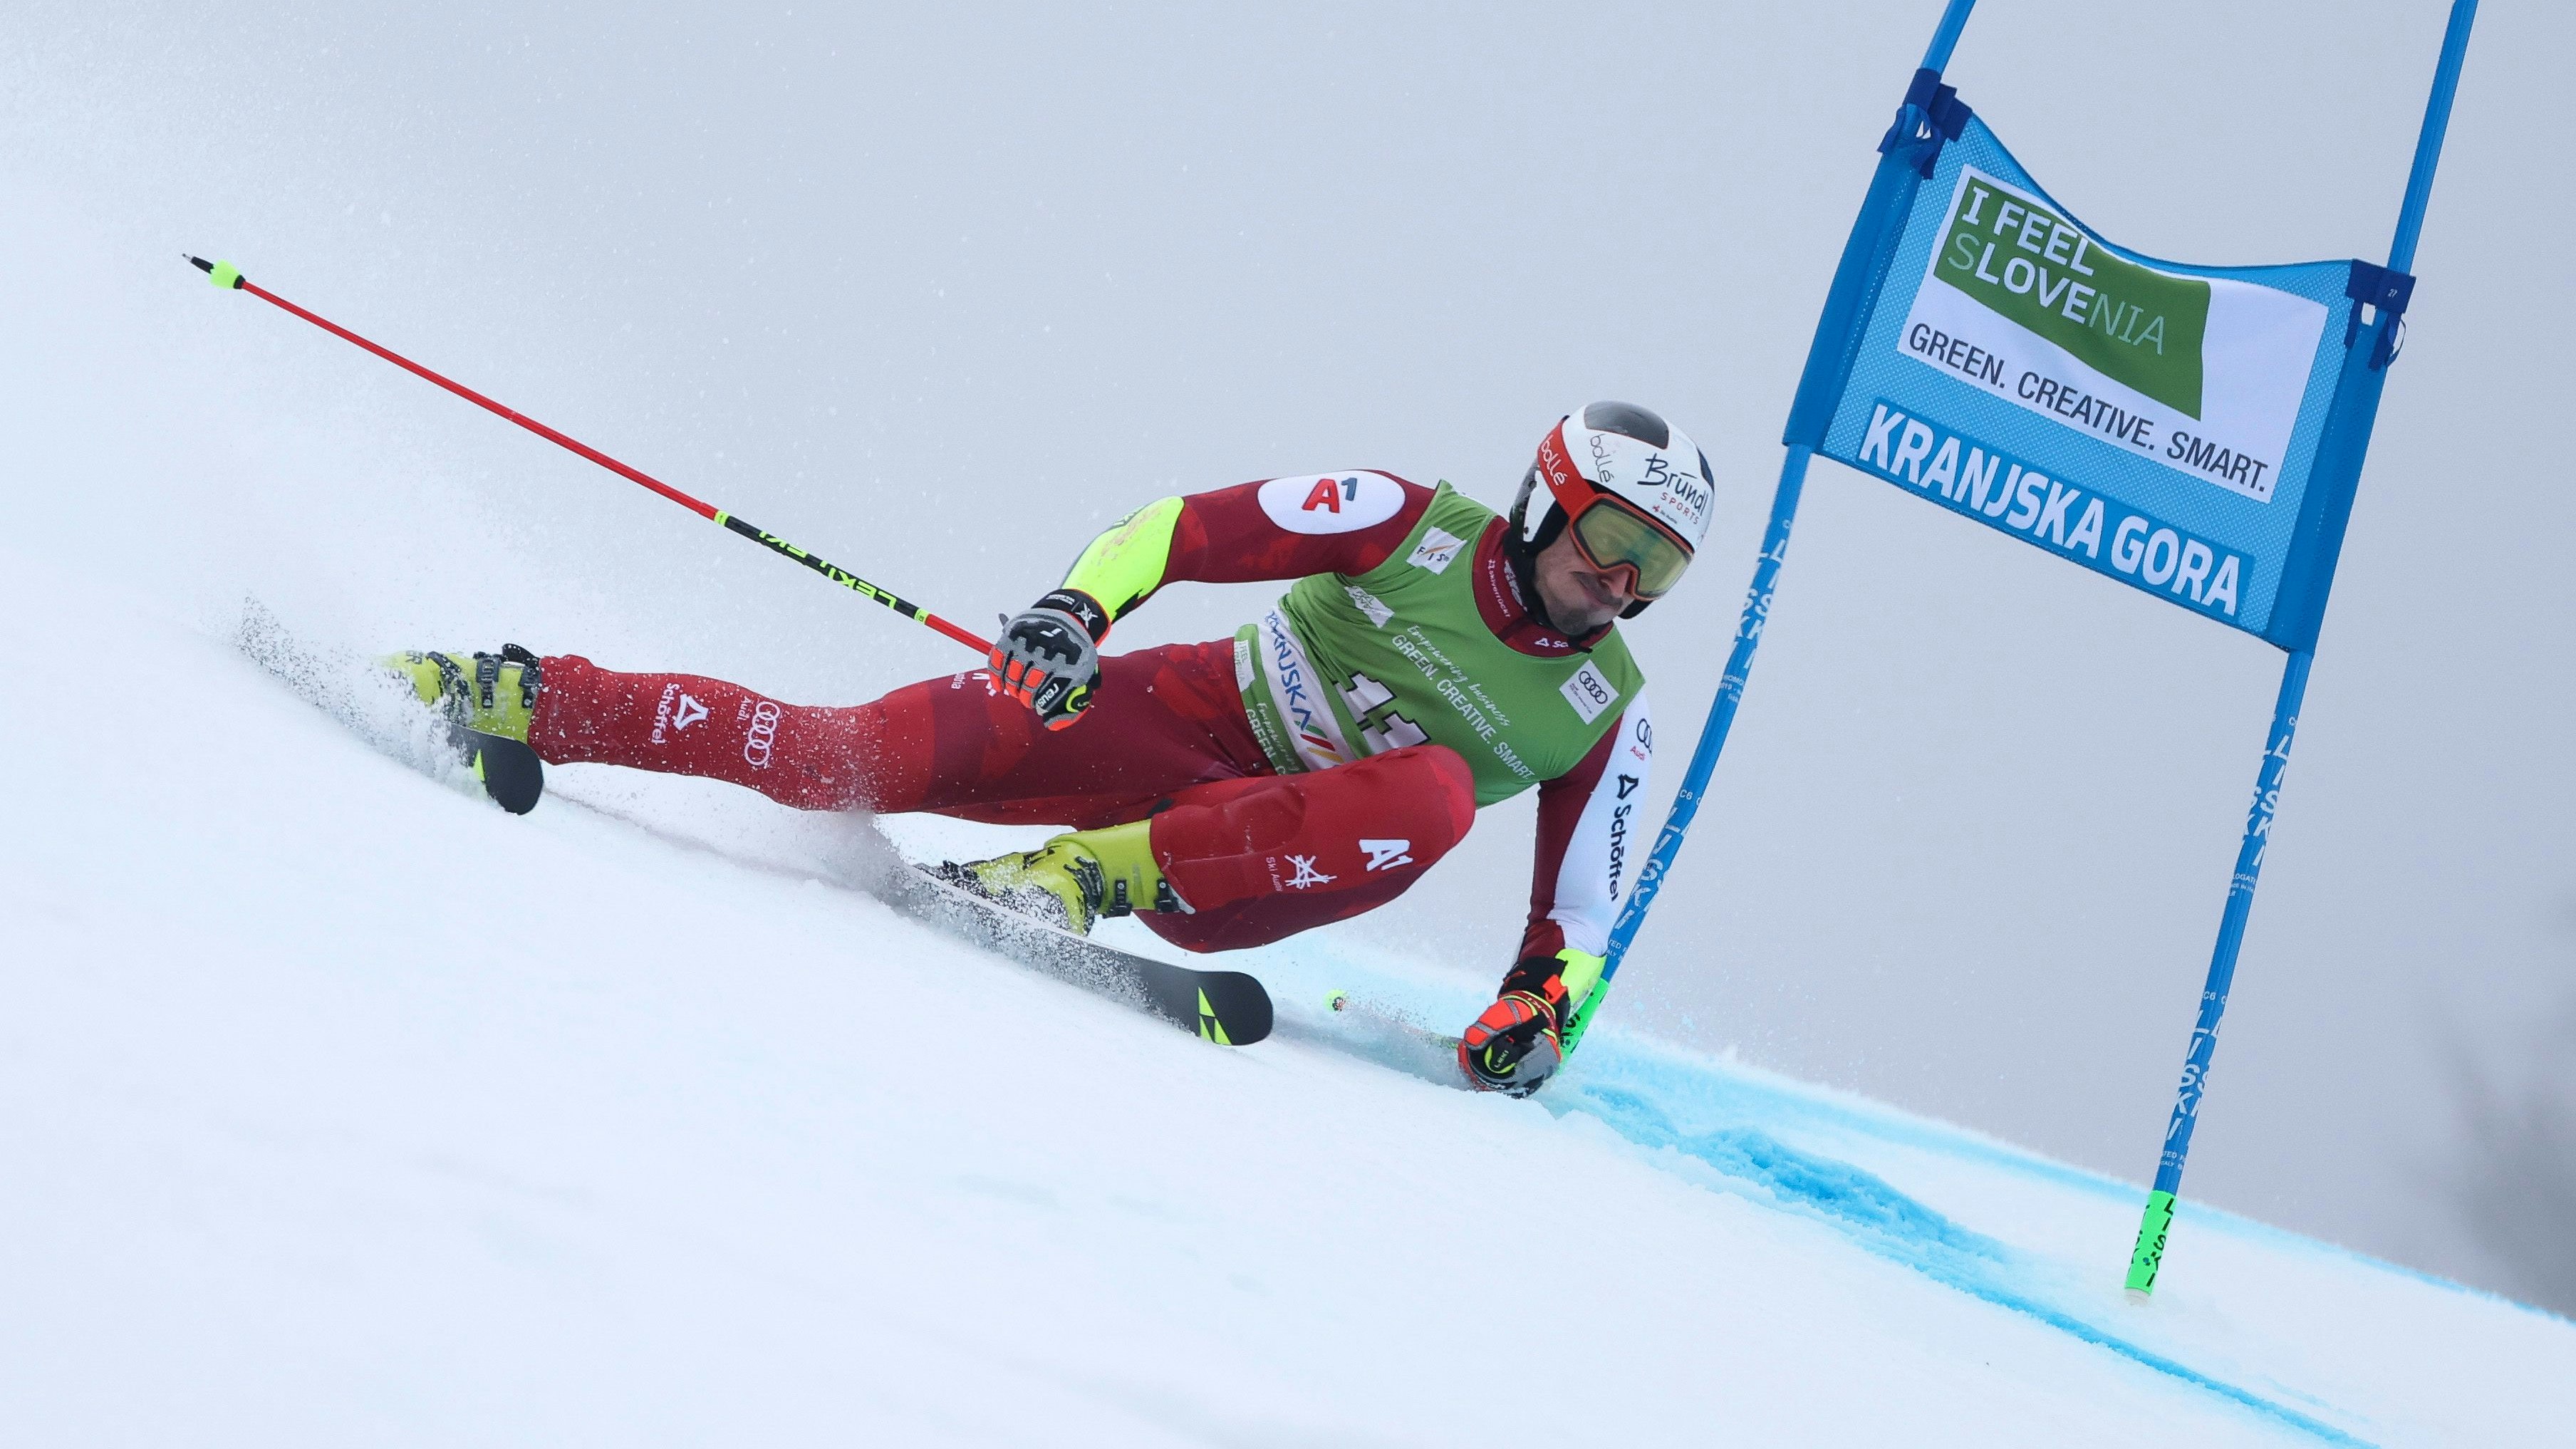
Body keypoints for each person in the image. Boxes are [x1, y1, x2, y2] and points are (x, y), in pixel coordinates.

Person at [393, 402, 1719, 1094]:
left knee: (1437, 792)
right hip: (1174, 716)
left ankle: (1084, 876)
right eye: (1615, 539)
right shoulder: (1407, 518)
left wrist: (1541, 1013)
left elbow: (1581, 920)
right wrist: (1077, 610)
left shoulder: (1613, 707)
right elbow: (1182, 529)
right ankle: (524, 697)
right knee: (837, 755)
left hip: (1254, 865)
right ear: (1549, 499)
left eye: (1659, 566)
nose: (1626, 583)